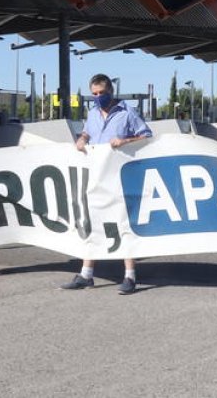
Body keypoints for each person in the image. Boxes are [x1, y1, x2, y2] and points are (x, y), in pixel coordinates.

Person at [60, 73, 153, 295]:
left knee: (123, 224)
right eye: (94, 94)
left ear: (110, 91)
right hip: (97, 176)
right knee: (90, 223)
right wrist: (82, 139)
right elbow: (87, 133)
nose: (98, 97)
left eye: (101, 93)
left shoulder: (127, 112)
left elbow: (147, 136)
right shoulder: (92, 114)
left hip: (121, 178)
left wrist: (125, 141)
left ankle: (130, 276)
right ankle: (86, 274)